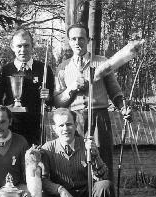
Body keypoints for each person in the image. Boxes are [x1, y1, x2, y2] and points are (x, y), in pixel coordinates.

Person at [53, 23, 131, 182]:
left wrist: (124, 109)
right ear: (69, 41)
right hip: (74, 121)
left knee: (103, 164)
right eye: (73, 39)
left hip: (99, 119)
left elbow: (115, 92)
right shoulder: (63, 67)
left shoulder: (102, 62)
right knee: (78, 164)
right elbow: (58, 102)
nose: (77, 42)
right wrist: (72, 88)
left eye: (81, 38)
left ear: (88, 40)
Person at [41, 108, 125, 197]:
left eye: (69, 124)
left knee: (105, 185)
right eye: (61, 125)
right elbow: (43, 181)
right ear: (55, 129)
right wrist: (59, 189)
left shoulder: (86, 145)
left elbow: (102, 176)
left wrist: (95, 156)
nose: (65, 129)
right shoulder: (47, 149)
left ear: (75, 125)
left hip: (86, 195)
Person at [0, 29, 54, 146]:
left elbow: (52, 102)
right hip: (11, 126)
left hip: (36, 126)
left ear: (32, 46)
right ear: (12, 47)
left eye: (26, 45)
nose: (23, 50)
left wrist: (47, 97)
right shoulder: (5, 70)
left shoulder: (44, 69)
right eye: (19, 46)